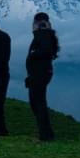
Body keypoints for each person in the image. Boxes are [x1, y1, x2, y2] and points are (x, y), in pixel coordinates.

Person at [25, 12, 60, 142]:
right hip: (39, 74)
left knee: (38, 104)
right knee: (37, 103)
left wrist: (33, 54)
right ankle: (45, 134)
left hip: (39, 74)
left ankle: (45, 136)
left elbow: (46, 51)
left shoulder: (43, 35)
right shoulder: (45, 35)